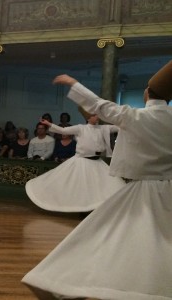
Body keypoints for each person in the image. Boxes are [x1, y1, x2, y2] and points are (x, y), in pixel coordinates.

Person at [22, 63, 172, 299]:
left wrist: (73, 84)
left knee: (111, 235)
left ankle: (120, 280)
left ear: (148, 93)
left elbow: (100, 105)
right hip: (168, 187)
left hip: (143, 189)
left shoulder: (135, 116)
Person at [25, 114, 124, 212]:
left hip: (97, 162)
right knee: (80, 187)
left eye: (97, 115)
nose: (97, 117)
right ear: (88, 118)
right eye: (94, 115)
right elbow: (63, 130)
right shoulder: (80, 128)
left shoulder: (103, 128)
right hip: (82, 162)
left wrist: (126, 120)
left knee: (107, 184)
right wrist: (49, 124)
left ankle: (93, 208)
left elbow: (118, 128)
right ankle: (82, 209)